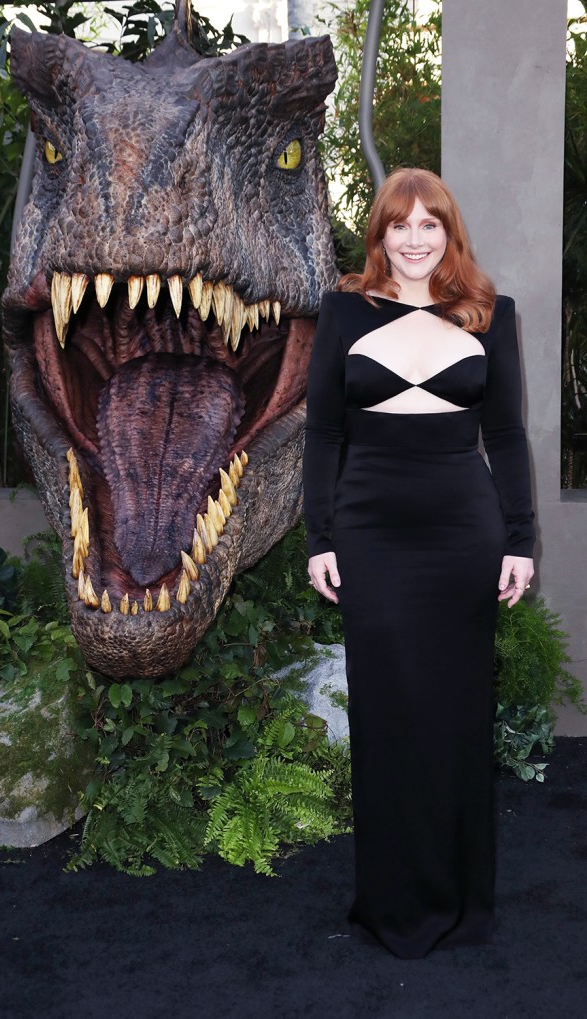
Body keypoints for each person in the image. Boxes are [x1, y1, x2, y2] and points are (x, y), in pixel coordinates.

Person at [303, 167, 535, 959]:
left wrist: (520, 541)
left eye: (428, 224)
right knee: (387, 713)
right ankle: (393, 903)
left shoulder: (490, 316)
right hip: (371, 531)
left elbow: (505, 437)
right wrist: (320, 536)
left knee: (455, 715)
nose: (413, 238)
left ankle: (462, 901)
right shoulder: (342, 313)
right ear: (380, 236)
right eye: (398, 225)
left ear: (448, 233)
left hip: (461, 533)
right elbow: (323, 435)